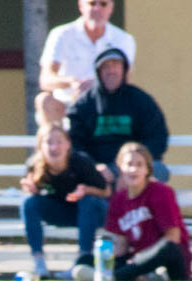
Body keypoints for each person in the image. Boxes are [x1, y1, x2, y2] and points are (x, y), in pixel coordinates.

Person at [65, 48, 170, 190]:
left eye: (116, 65)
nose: (111, 71)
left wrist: (131, 166)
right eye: (106, 66)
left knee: (159, 170)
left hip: (134, 167)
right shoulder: (83, 104)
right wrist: (93, 166)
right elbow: (74, 145)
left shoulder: (141, 100)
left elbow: (157, 138)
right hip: (97, 171)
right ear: (98, 72)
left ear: (124, 70)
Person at [36, 0, 137, 127]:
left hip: (105, 106)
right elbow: (45, 80)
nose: (97, 9)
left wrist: (97, 86)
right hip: (67, 105)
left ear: (111, 8)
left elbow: (124, 82)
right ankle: (55, 146)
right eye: (91, 3)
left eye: (103, 4)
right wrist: (72, 82)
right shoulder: (61, 34)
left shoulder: (124, 39)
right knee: (44, 100)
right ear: (81, 6)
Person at [18, 124, 110, 281]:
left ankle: (82, 261)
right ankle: (39, 263)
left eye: (59, 141)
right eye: (49, 142)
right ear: (40, 146)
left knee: (87, 201)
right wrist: (30, 189)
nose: (54, 147)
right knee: (29, 202)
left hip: (91, 213)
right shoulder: (34, 165)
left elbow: (107, 191)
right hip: (60, 212)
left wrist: (85, 190)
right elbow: (33, 194)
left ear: (68, 144)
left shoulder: (81, 161)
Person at [105, 141, 191, 281]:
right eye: (129, 164)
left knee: (169, 247)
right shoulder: (118, 200)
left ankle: (117, 277)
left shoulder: (161, 192)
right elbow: (122, 244)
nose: (134, 170)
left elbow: (173, 237)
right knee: (108, 257)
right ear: (120, 167)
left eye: (139, 165)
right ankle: (101, 272)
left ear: (147, 169)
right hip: (137, 261)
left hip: (166, 262)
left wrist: (143, 259)